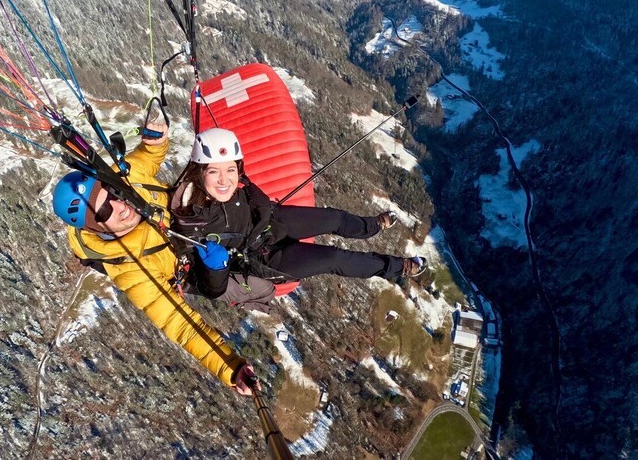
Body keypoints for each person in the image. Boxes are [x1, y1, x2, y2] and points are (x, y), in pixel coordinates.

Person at [51, 122, 258, 395]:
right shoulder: (132, 271)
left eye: (113, 193)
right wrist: (230, 367)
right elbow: (179, 323)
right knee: (264, 278)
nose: (119, 206)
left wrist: (155, 141)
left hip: (195, 222)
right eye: (102, 212)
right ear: (94, 228)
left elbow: (147, 157)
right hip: (195, 265)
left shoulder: (126, 178)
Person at [170, 128, 430, 298]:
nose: (224, 180)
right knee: (334, 258)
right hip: (265, 257)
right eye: (213, 171)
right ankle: (397, 267)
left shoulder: (234, 184)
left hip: (271, 221)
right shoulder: (192, 222)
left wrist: (266, 211)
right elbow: (211, 289)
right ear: (199, 171)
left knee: (333, 218)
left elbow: (248, 197)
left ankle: (372, 226)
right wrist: (217, 267)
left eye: (230, 170)